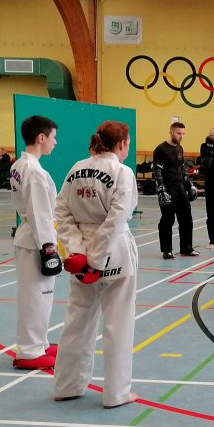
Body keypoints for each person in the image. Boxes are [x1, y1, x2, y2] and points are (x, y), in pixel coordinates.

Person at [53, 121, 140, 409]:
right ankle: (116, 393)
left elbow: (61, 212)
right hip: (113, 250)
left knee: (77, 320)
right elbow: (116, 218)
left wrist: (79, 251)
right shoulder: (122, 172)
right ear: (122, 144)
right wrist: (96, 258)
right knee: (118, 324)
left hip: (82, 254)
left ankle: (67, 386)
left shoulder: (76, 168)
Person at [9, 116, 61, 370]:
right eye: (53, 137)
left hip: (29, 236)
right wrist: (48, 248)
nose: (55, 142)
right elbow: (41, 212)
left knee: (41, 296)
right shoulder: (34, 171)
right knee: (35, 297)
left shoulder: (20, 164)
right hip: (35, 239)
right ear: (41, 138)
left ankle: (39, 342)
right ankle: (30, 351)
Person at [154, 122, 197, 259]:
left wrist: (190, 185)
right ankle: (167, 250)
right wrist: (161, 190)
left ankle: (186, 248)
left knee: (186, 218)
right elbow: (157, 171)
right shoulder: (160, 149)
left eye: (183, 133)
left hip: (180, 188)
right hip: (168, 188)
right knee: (167, 220)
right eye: (178, 133)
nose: (181, 136)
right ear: (171, 132)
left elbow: (181, 170)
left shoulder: (179, 148)